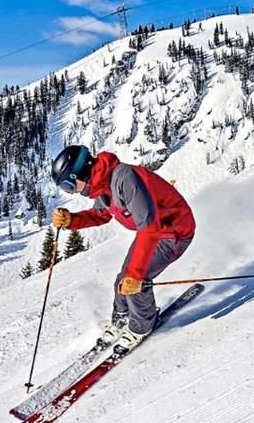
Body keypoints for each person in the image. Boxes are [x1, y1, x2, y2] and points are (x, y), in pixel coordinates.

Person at [49, 145, 196, 352]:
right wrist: (72, 221)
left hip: (173, 232)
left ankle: (142, 325)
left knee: (135, 278)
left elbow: (149, 227)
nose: (73, 192)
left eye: (69, 186)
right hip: (153, 231)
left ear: (80, 173)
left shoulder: (124, 179)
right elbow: (100, 215)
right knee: (123, 279)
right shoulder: (102, 185)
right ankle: (121, 318)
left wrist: (136, 275)